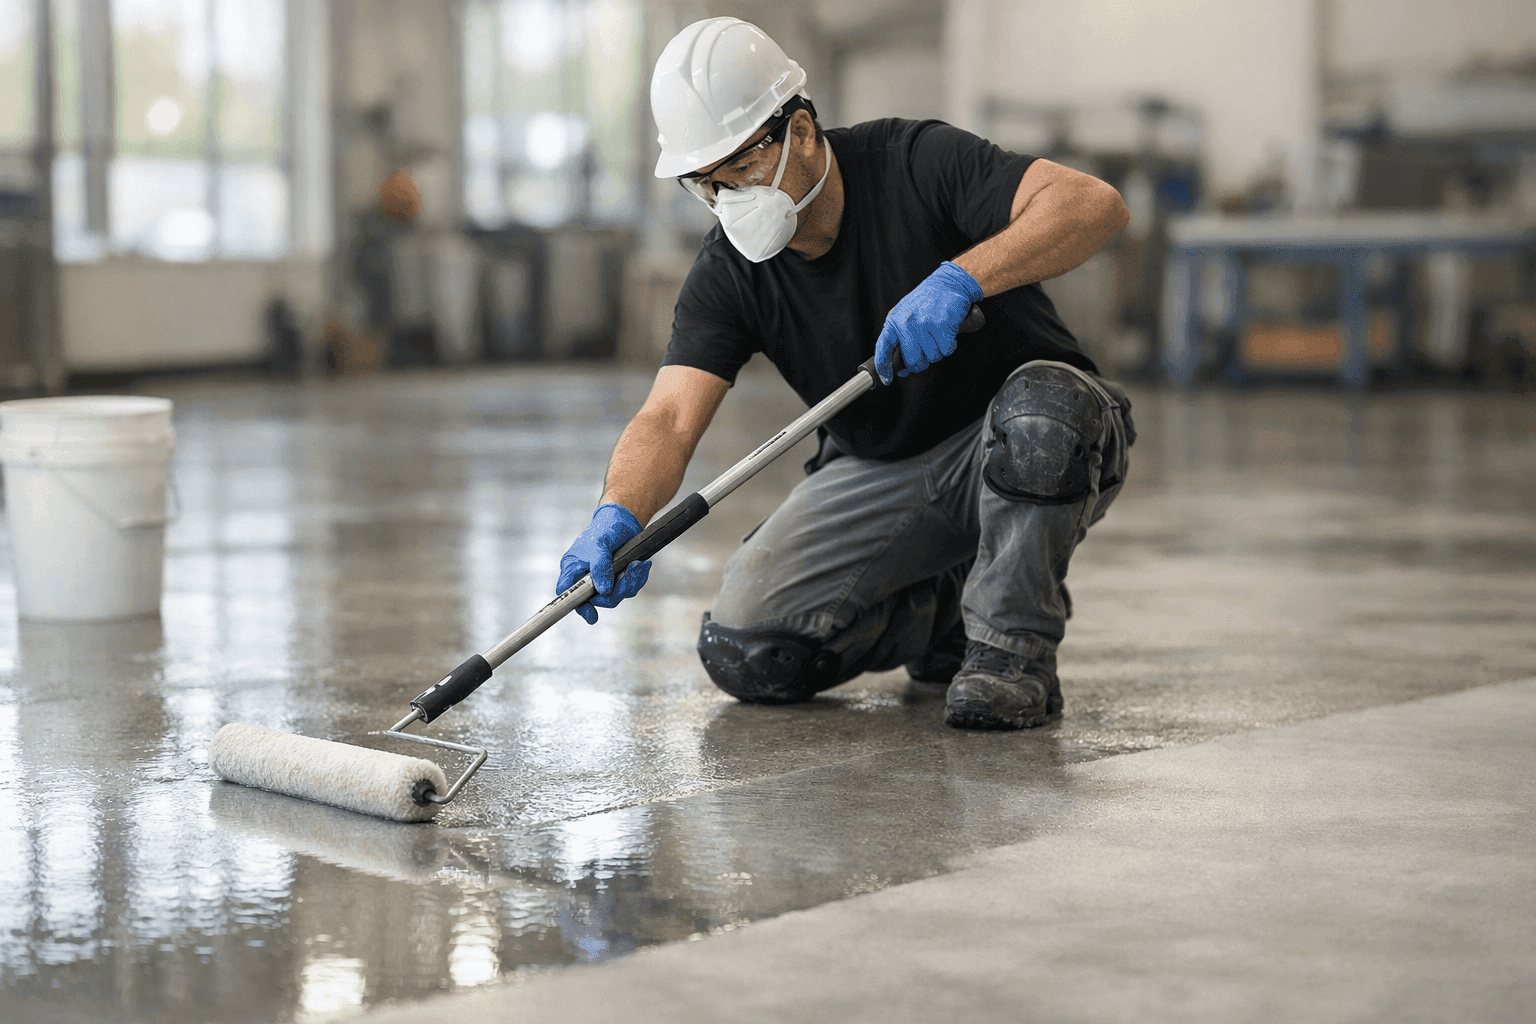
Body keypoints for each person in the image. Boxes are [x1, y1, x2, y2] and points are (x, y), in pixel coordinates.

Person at [556, 17, 1135, 730]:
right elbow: (670, 416)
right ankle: (948, 614)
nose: (727, 198)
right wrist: (619, 512)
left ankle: (1011, 653)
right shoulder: (728, 272)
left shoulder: (915, 161)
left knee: (1041, 418)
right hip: (883, 465)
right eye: (705, 183)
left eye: (739, 168)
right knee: (750, 648)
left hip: (1025, 437)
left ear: (799, 131)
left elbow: (1093, 205)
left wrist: (961, 280)